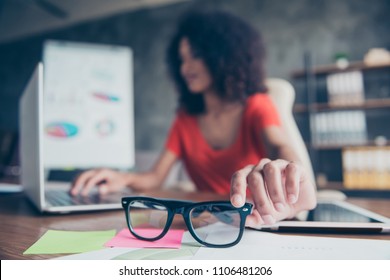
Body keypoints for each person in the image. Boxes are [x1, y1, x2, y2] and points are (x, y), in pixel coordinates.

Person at [71, 10, 317, 227]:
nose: (185, 68)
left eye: (195, 55)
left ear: (223, 56)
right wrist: (120, 177)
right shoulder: (185, 119)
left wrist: (292, 170)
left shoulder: (256, 105)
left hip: (254, 222)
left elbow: (279, 144)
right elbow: (156, 177)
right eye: (182, 59)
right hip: (206, 221)